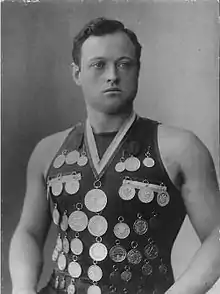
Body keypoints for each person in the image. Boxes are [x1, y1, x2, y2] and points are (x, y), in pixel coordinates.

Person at [9, 17, 220, 294]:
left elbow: (218, 235)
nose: (112, 75)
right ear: (77, 73)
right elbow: (29, 232)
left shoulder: (181, 148)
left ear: (137, 70)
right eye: (98, 64)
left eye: (124, 64)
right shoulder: (48, 151)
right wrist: (22, 288)